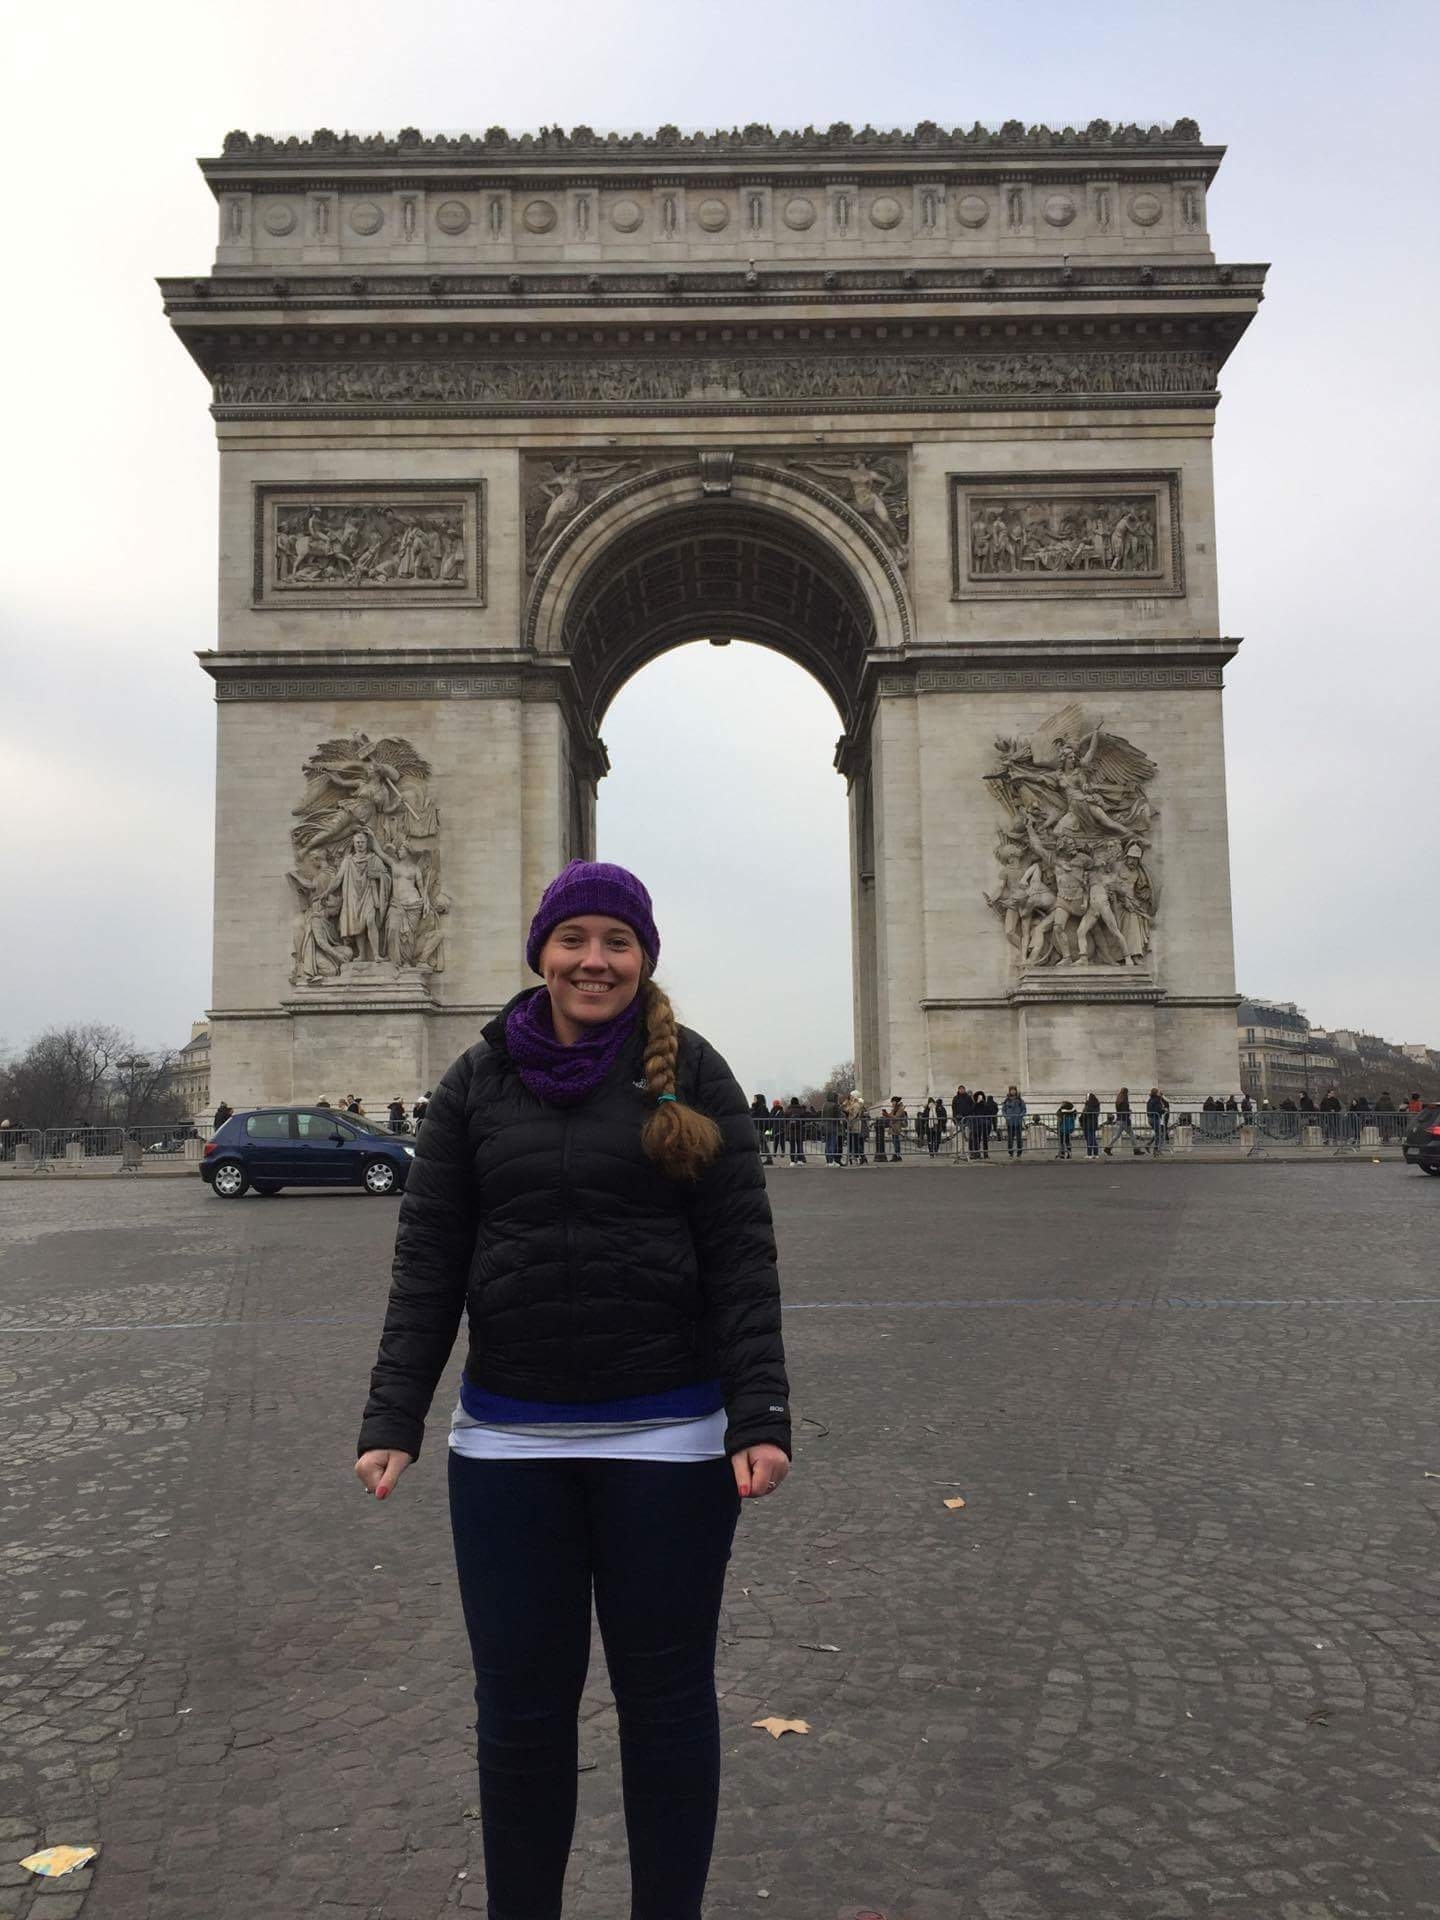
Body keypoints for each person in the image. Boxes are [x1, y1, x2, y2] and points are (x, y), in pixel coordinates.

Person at [355, 860, 791, 1920]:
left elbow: (740, 1252)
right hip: (509, 1445)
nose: (594, 960)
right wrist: (393, 1413)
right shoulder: (473, 1081)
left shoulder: (695, 1072)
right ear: (541, 951)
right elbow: (432, 1255)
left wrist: (760, 1410)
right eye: (574, 939)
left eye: (617, 942)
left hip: (671, 1440)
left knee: (669, 1705)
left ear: (643, 958)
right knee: (519, 1716)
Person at [1105, 1086, 1139, 1155]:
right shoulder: (1124, 1102)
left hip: (1120, 1119)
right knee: (1131, 1135)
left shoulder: (1119, 1100)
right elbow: (1124, 1112)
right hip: (1124, 1120)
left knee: (1117, 1136)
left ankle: (1108, 1148)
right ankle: (1136, 1150)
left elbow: (1122, 1110)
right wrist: (1129, 1112)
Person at [1001, 1085, 1027, 1158]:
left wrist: (1020, 1115)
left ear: (1016, 1091)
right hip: (1010, 1123)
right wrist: (1006, 1116)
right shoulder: (1006, 1100)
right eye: (1011, 1090)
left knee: (1019, 1138)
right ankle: (1010, 1153)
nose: (1013, 1091)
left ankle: (1019, 1152)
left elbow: (1024, 1110)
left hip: (1018, 1122)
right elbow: (1003, 1110)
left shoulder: (1020, 1100)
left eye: (1014, 1090)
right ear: (1009, 1091)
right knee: (1010, 1139)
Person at [952, 1085, 976, 1159]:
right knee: (959, 1136)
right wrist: (955, 1117)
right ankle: (960, 1151)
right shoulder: (955, 1098)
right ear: (958, 1090)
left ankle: (966, 1151)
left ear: (964, 1090)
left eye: (963, 1089)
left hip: (967, 1119)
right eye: (960, 1089)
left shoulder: (968, 1098)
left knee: (967, 1136)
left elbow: (972, 1106)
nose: (961, 1090)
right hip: (959, 1119)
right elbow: (954, 1108)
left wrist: (969, 1114)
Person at [749, 1094, 773, 1164]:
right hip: (756, 1127)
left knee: (757, 1144)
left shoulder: (762, 1107)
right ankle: (769, 1159)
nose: (754, 1100)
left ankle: (757, 1160)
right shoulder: (755, 1107)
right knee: (763, 1144)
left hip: (759, 1128)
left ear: (759, 1099)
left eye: (755, 1099)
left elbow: (761, 1118)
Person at [1145, 1087, 1168, 1154]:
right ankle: (1156, 1149)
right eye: (1158, 1092)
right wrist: (1164, 1110)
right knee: (1160, 1134)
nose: (1160, 1093)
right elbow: (1158, 1110)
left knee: (1158, 1133)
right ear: (1156, 1093)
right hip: (1155, 1118)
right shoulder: (1156, 1100)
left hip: (1150, 1119)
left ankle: (1148, 1145)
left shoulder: (1150, 1100)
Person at [1081, 1091, 1101, 1157]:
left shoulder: (1094, 1105)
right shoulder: (1089, 1105)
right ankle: (1095, 1153)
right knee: (1091, 1139)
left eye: (1087, 1097)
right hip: (1087, 1123)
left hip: (1090, 1124)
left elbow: (1090, 1112)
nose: (1086, 1099)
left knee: (1090, 1139)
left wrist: (1087, 1107)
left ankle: (1090, 1154)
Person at [887, 1096, 906, 1162]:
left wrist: (887, 1115)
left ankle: (897, 1156)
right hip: (893, 1127)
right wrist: (886, 1115)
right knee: (895, 1142)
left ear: (896, 1102)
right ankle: (896, 1155)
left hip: (896, 1127)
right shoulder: (894, 1109)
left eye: (893, 1102)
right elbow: (891, 1115)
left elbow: (896, 1117)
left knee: (896, 1142)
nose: (892, 1103)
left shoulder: (900, 1109)